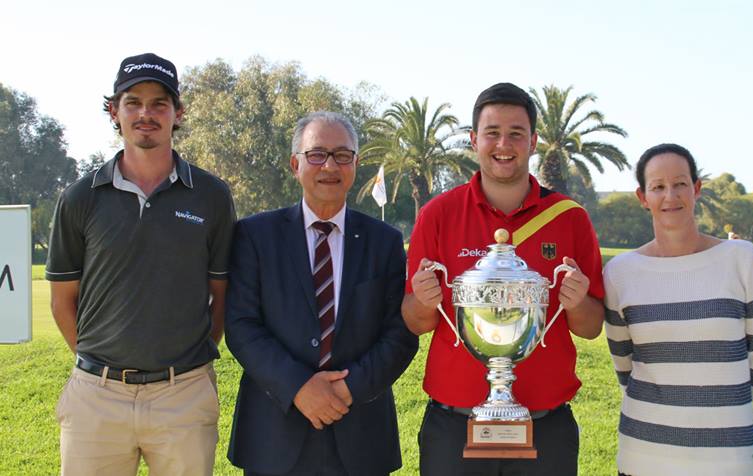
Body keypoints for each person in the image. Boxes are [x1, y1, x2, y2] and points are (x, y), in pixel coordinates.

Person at [45, 53, 235, 475]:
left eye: (159, 103)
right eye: (133, 102)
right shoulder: (80, 197)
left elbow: (220, 295)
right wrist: (101, 370)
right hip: (96, 397)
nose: (145, 113)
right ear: (114, 110)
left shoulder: (211, 195)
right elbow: (62, 301)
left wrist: (192, 364)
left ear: (178, 112)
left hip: (182, 395)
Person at [402, 82, 605, 476]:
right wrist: (423, 300)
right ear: (474, 139)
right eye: (492, 133)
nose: (503, 144)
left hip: (545, 427)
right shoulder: (438, 214)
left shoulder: (569, 218)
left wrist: (579, 300)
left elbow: (591, 327)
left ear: (533, 141)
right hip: (454, 427)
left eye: (516, 133)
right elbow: (415, 321)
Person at [224, 111, 418, 476]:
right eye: (317, 154)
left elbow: (400, 333)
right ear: (295, 164)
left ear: (356, 165)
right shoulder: (255, 236)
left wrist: (347, 390)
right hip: (275, 434)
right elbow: (241, 325)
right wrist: (298, 386)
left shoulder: (385, 242)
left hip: (360, 433)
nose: (330, 165)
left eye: (342, 155)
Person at [603, 144, 753, 476]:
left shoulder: (741, 259)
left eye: (680, 183)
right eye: (658, 187)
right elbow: (624, 366)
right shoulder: (620, 272)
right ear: (643, 196)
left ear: (696, 189)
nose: (671, 195)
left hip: (728, 459)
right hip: (644, 454)